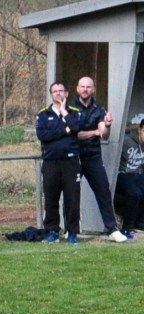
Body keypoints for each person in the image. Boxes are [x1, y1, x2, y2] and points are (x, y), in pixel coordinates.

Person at [68, 75, 124, 240]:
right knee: (72, 193)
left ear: (93, 89)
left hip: (93, 156)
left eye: (88, 87)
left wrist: (106, 125)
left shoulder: (99, 110)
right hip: (74, 156)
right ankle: (72, 229)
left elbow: (104, 135)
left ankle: (112, 229)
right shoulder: (70, 108)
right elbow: (75, 134)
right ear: (77, 89)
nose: (85, 90)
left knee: (103, 190)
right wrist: (94, 132)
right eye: (82, 87)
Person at [36, 82, 82, 243]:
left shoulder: (74, 112)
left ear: (66, 93)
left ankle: (72, 232)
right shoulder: (43, 114)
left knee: (72, 198)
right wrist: (65, 130)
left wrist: (64, 113)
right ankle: (52, 231)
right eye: (54, 91)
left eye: (60, 91)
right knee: (51, 198)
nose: (58, 94)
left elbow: (76, 127)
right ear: (51, 94)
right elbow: (43, 135)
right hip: (50, 162)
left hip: (70, 162)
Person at [116, 115, 144, 240]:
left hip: (138, 175)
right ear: (140, 130)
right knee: (134, 193)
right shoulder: (126, 141)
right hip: (123, 173)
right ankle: (127, 227)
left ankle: (140, 223)